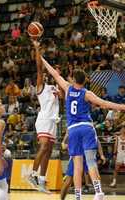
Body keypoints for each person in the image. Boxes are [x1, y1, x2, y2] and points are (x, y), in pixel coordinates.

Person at [33, 40, 125, 200]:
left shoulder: (68, 89)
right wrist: (123, 107)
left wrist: (40, 56)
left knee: (77, 165)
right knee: (90, 162)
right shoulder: (87, 93)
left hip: (73, 130)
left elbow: (54, 74)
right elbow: (105, 104)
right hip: (87, 128)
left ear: (74, 79)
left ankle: (78, 196)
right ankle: (98, 192)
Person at [27, 39, 60, 193]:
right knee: (44, 146)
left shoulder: (55, 86)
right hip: (44, 119)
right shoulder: (41, 87)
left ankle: (41, 179)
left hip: (53, 121)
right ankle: (32, 174)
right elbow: (39, 68)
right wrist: (37, 49)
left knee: (48, 151)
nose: (45, 75)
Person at [61, 132, 106, 200]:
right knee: (68, 181)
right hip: (76, 156)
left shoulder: (88, 127)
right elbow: (64, 144)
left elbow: (97, 141)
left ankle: (98, 193)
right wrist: (64, 143)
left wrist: (101, 154)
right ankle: (62, 199)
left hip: (87, 155)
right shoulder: (73, 127)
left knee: (97, 176)